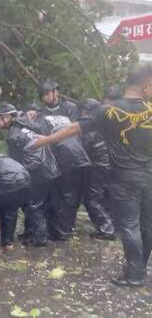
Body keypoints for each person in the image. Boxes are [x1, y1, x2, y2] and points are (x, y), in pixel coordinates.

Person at [29, 65, 152, 287]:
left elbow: (74, 128)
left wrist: (42, 141)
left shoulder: (106, 111)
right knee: (147, 224)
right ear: (145, 84)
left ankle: (135, 275)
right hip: (149, 176)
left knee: (130, 225)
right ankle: (138, 267)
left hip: (123, 178)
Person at [0, 102, 60, 247]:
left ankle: (39, 238)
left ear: (7, 117)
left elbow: (17, 163)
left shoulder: (14, 134)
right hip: (47, 169)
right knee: (38, 204)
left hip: (38, 171)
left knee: (32, 205)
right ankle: (33, 233)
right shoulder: (24, 127)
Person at [37, 80, 93, 240]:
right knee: (53, 193)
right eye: (43, 95)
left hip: (72, 155)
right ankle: (54, 227)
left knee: (70, 195)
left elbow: (79, 132)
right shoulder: (40, 111)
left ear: (56, 92)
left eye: (48, 93)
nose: (46, 97)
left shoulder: (71, 109)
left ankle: (66, 228)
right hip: (53, 157)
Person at [77, 98, 116, 240]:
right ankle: (110, 225)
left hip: (98, 167)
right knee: (101, 197)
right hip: (107, 166)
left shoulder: (91, 128)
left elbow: (84, 150)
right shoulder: (106, 125)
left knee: (91, 199)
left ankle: (107, 229)